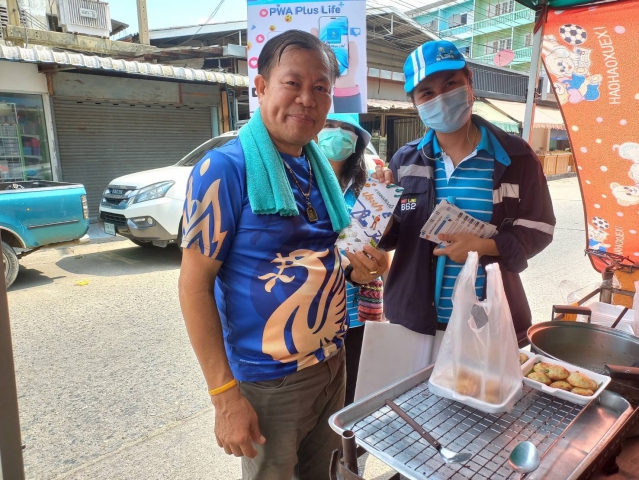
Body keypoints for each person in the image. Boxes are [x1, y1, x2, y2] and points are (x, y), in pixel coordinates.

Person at [178, 30, 389, 480]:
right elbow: (194, 287)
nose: (307, 99)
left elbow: (323, 258)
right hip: (269, 381)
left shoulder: (318, 168)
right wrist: (224, 397)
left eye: (320, 88)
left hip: (332, 363)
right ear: (260, 87)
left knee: (327, 473)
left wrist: (361, 270)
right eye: (292, 83)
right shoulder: (224, 169)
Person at [377, 40, 555, 363]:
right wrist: (381, 210)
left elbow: (539, 228)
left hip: (485, 321)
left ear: (469, 82)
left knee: (479, 395)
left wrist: (485, 246)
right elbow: (393, 235)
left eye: (450, 84)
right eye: (427, 93)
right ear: (415, 103)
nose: (441, 98)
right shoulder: (405, 161)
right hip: (415, 323)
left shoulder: (516, 157)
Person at [317, 113, 384, 406]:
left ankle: (347, 434)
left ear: (358, 140)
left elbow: (380, 241)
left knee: (353, 385)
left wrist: (388, 195)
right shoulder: (298, 182)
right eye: (330, 126)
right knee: (317, 390)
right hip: (314, 308)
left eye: (346, 128)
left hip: (357, 308)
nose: (337, 133)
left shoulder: (367, 187)